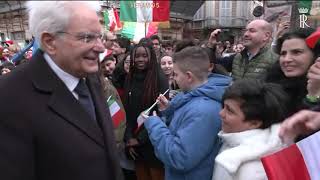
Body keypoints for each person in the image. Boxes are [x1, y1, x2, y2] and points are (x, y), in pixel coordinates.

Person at [0, 1, 123, 180]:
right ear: (50, 42)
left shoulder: (90, 75)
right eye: (87, 38)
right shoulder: (8, 96)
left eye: (100, 37)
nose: (101, 47)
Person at [142, 46, 232, 180]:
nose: (175, 79)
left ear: (189, 76)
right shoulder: (192, 97)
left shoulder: (203, 110)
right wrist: (168, 110)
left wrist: (154, 125)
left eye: (176, 74)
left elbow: (178, 157)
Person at [212, 79, 289, 180]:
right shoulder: (233, 140)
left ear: (254, 123)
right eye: (224, 106)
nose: (221, 113)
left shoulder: (253, 171)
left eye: (230, 110)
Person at [123, 42, 169, 180]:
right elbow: (127, 110)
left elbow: (161, 113)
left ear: (151, 58)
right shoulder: (129, 78)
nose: (140, 59)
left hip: (152, 142)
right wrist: (129, 138)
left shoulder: (160, 79)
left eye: (144, 56)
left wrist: (140, 139)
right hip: (135, 144)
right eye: (137, 56)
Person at [263, 28, 318, 117]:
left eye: (296, 52)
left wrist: (313, 96)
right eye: (283, 54)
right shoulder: (269, 83)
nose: (286, 59)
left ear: (316, 55)